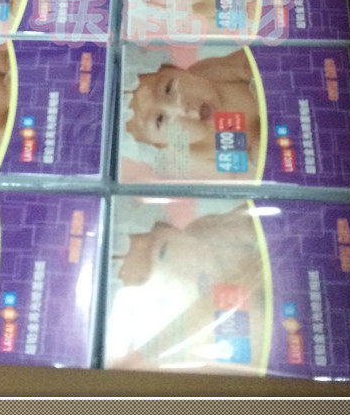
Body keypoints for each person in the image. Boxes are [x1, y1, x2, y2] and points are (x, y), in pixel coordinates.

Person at [109, 202, 266, 371]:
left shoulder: (208, 232)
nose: (180, 274)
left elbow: (261, 223)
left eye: (163, 252)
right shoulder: (195, 338)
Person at [125, 49, 261, 178]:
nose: (181, 108)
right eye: (159, 120)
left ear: (176, 69)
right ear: (161, 144)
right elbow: (243, 175)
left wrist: (260, 83)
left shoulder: (207, 72)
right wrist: (256, 155)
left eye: (168, 89)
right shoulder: (199, 151)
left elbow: (251, 61)